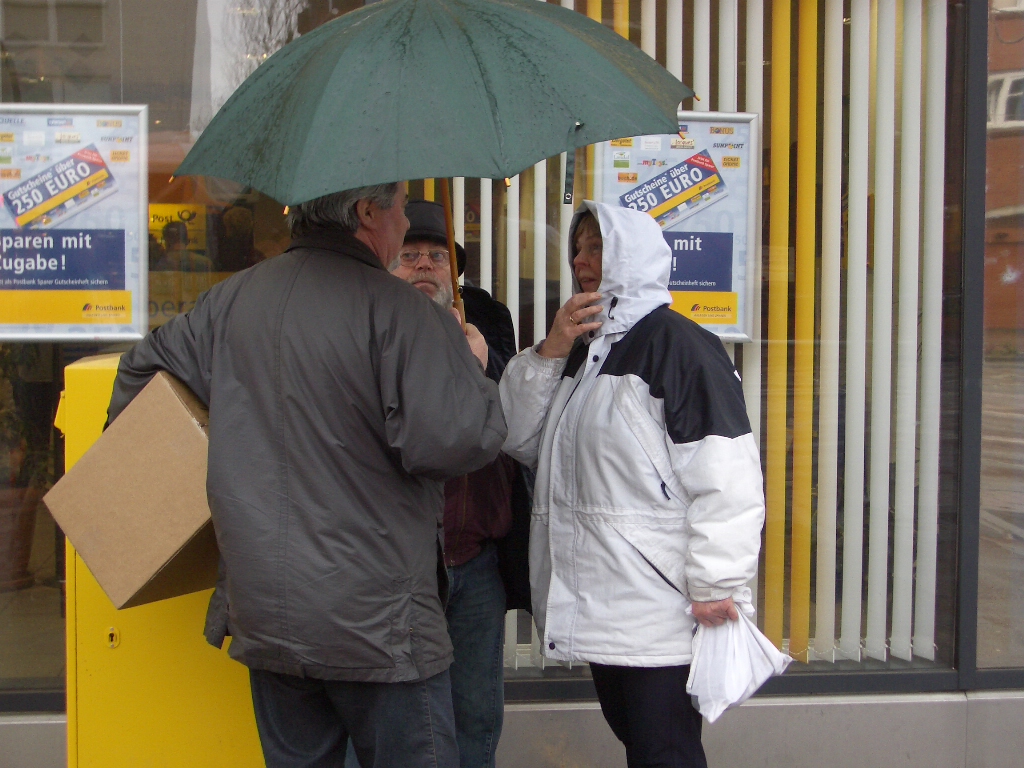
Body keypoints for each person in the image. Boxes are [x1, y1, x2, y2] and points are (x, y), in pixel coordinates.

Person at [106, 182, 507, 768]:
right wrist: (470, 374)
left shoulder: (230, 300)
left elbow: (136, 382)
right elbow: (452, 441)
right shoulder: (405, 313)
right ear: (367, 213)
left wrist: (231, 457)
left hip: (268, 610)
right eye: (399, 209)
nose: (404, 225)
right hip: (379, 620)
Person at [499, 202, 765, 768]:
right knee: (644, 745)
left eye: (597, 247)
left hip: (659, 607)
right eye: (578, 249)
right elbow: (520, 439)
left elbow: (727, 476)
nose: (581, 261)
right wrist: (550, 351)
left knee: (664, 751)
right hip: (605, 601)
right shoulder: (586, 349)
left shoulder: (679, 345)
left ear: (631, 253)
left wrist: (717, 582)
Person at [384, 200, 524, 768]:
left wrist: (485, 365)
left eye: (436, 256)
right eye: (409, 255)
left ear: (455, 273)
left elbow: (519, 418)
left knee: (475, 715)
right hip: (395, 566)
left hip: (473, 559)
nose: (423, 265)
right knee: (390, 721)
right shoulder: (368, 322)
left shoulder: (485, 320)